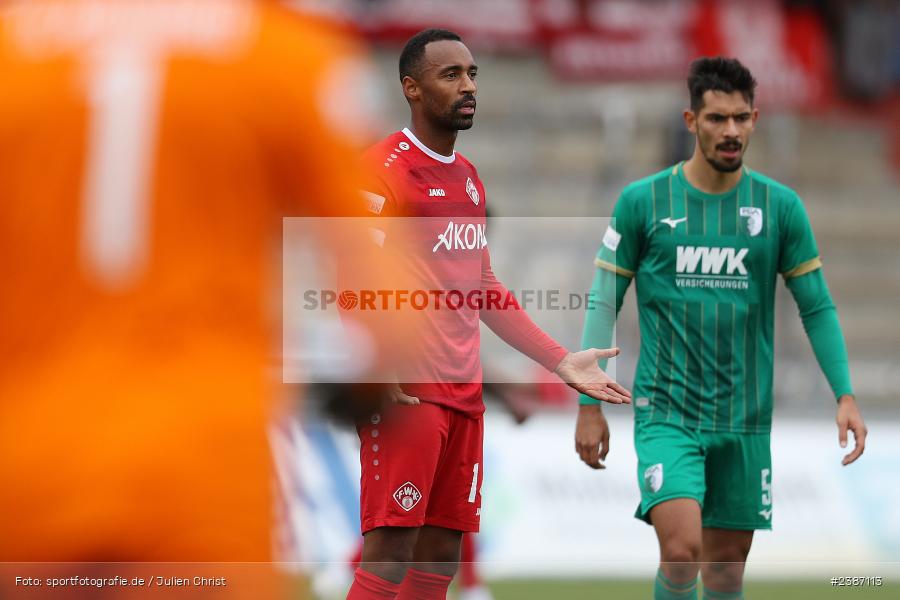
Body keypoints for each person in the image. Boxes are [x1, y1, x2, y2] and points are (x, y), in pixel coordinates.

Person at [0, 0, 374, 581]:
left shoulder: (11, 42)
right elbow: (375, 269)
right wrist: (369, 387)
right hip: (204, 457)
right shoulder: (282, 50)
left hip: (23, 454)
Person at [346, 28, 631, 600]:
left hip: (463, 395)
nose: (468, 86)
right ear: (412, 89)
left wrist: (559, 361)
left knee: (441, 554)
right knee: (390, 551)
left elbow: (483, 288)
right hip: (408, 394)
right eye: (450, 75)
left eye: (473, 74)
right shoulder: (382, 169)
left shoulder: (470, 179)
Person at [576, 57, 868, 600]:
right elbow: (603, 299)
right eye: (716, 119)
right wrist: (589, 405)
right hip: (668, 412)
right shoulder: (643, 203)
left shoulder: (780, 209)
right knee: (682, 550)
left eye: (741, 118)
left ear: (755, 118)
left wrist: (844, 393)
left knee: (727, 569)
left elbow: (818, 307)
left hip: (745, 418)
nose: (730, 131)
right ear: (691, 121)